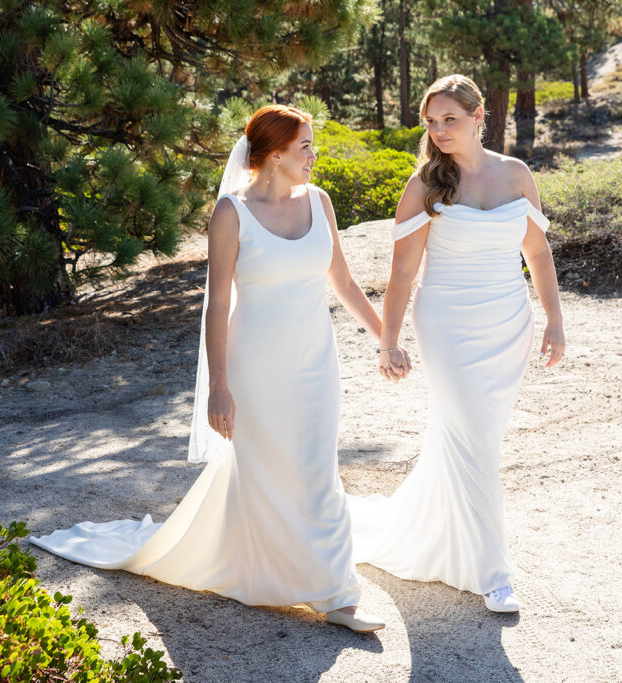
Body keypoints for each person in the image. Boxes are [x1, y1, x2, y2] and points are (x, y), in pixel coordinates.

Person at [31, 105, 386, 632]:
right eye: (305, 146)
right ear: (273, 154)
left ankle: (338, 595)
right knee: (266, 471)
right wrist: (219, 387)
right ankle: (275, 573)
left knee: (317, 467)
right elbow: (217, 304)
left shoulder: (321, 202)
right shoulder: (232, 212)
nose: (314, 155)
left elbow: (345, 283)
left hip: (315, 361)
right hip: (254, 365)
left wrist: (388, 339)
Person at [349, 75, 565, 613]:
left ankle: (437, 535)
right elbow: (402, 272)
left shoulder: (516, 174)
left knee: (477, 439)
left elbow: (537, 255)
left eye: (450, 119)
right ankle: (493, 574)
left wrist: (554, 321)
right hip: (446, 320)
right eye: (431, 122)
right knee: (468, 430)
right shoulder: (425, 184)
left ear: (477, 116)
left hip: (508, 321)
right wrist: (388, 342)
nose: (440, 130)